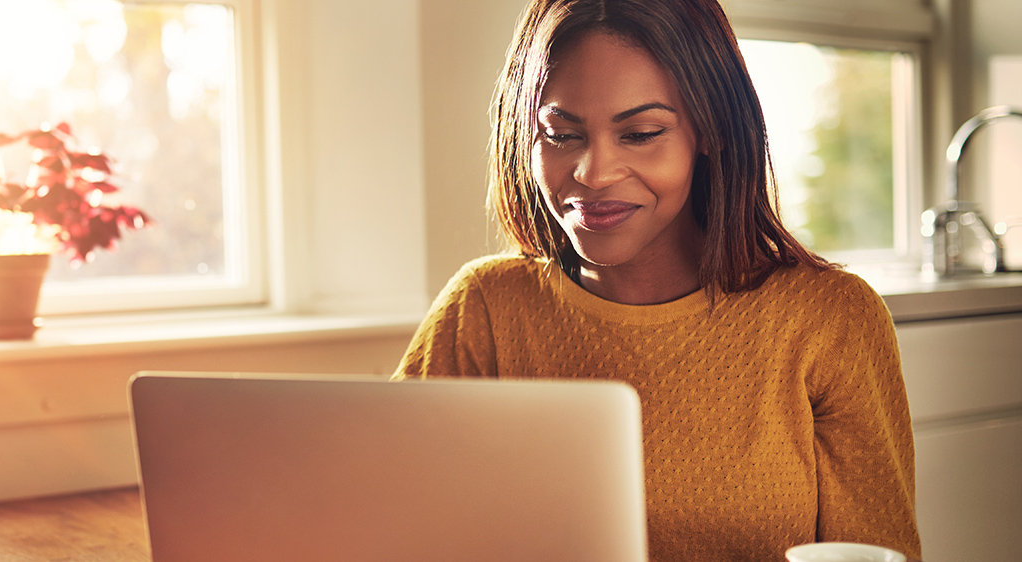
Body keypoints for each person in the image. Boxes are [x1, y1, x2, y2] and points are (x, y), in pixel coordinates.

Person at [391, 0, 923, 560]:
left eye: (641, 133)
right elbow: (387, 520)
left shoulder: (830, 318)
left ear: (711, 128)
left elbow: (876, 551)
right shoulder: (484, 310)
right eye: (561, 135)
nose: (593, 174)